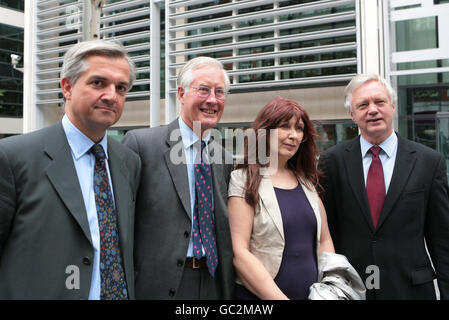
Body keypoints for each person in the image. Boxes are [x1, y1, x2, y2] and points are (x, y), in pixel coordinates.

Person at [0, 40, 141, 300]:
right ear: (67, 87)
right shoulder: (12, 157)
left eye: (121, 88)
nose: (111, 95)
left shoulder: (129, 162)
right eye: (98, 83)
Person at [318, 74, 449, 299]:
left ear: (393, 106)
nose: (372, 110)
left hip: (411, 289)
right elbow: (325, 232)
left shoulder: (429, 162)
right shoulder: (332, 161)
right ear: (352, 115)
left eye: (379, 102)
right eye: (363, 105)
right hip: (353, 288)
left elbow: (442, 238)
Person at [122, 56, 234, 299]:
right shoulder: (142, 145)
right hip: (157, 284)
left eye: (219, 92)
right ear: (181, 94)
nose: (212, 100)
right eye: (203, 90)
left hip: (212, 282)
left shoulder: (224, 158)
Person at [228, 96, 341, 300]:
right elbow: (240, 253)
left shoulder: (307, 182)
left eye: (299, 129)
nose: (293, 135)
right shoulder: (243, 179)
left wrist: (329, 290)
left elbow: (325, 241)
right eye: (284, 126)